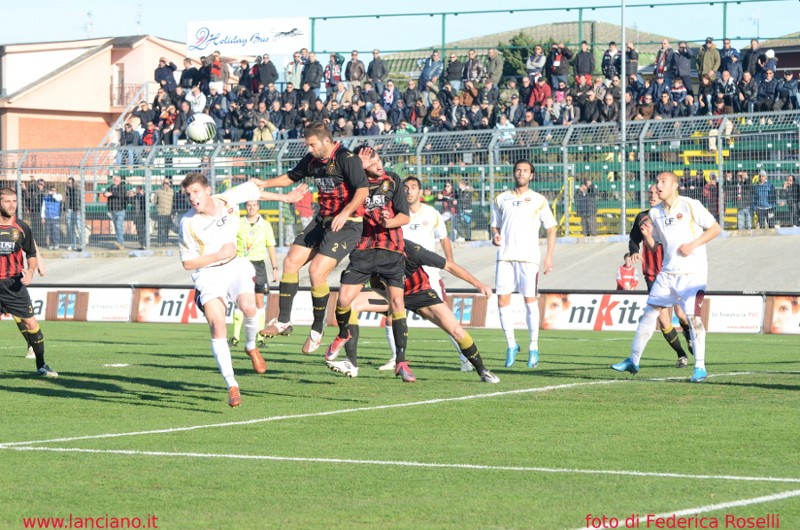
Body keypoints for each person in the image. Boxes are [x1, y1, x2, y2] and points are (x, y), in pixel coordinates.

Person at [178, 173, 307, 407]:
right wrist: (217, 255)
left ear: (207, 190)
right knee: (217, 325)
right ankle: (232, 385)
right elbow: (187, 263)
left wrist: (286, 198)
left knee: (250, 308)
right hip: (209, 274)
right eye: (188, 195)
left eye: (196, 192)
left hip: (236, 266)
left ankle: (251, 347)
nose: (192, 198)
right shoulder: (188, 223)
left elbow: (255, 191)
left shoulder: (227, 199)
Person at [258, 122, 370, 355]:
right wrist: (264, 183)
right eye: (306, 144)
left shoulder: (346, 158)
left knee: (316, 272)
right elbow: (291, 177)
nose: (309, 149)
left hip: (348, 224)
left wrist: (346, 212)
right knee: (290, 261)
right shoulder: (312, 160)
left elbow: (363, 190)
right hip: (323, 221)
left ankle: (317, 330)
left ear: (326, 141)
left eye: (312, 144)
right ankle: (284, 321)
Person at [327, 238, 499, 384]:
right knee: (351, 303)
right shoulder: (368, 251)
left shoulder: (411, 249)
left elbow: (449, 266)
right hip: (389, 296)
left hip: (420, 294)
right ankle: (351, 363)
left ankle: (482, 370)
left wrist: (479, 284)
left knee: (457, 331)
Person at [612, 172, 721, 383]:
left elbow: (715, 228)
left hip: (693, 273)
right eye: (657, 182)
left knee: (693, 318)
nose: (658, 186)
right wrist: (647, 237)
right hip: (667, 273)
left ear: (674, 186)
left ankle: (700, 366)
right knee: (649, 314)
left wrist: (693, 245)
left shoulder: (690, 205)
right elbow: (655, 248)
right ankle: (633, 360)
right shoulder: (655, 213)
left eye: (663, 182)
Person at [322, 146, 415, 382]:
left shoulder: (392, 180)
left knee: (397, 304)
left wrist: (390, 221)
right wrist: (358, 170)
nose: (378, 163)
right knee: (343, 300)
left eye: (378, 158)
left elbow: (405, 216)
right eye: (371, 161)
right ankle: (343, 335)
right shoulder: (354, 186)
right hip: (362, 250)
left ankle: (401, 362)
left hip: (391, 250)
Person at [377, 176, 472, 372]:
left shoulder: (432, 213)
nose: (409, 191)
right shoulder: (397, 214)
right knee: (391, 315)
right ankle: (397, 358)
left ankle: (465, 358)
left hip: (428, 276)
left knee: (445, 319)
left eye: (413, 187)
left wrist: (449, 261)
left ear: (420, 192)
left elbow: (444, 238)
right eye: (406, 187)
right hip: (400, 275)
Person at [491, 160, 557, 369]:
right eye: (518, 170)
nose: (521, 173)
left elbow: (551, 228)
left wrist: (549, 256)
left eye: (525, 171)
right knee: (502, 302)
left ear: (532, 175)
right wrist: (495, 236)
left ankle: (533, 347)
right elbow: (495, 226)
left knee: (530, 302)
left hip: (529, 258)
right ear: (514, 174)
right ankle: (511, 345)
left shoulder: (539, 200)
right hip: (505, 257)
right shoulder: (501, 198)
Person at [629, 184, 694, 367]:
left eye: (655, 192)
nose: (651, 195)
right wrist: (634, 250)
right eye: (649, 192)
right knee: (663, 318)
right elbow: (634, 238)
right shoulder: (642, 217)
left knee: (681, 314)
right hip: (652, 275)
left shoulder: (672, 216)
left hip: (674, 271)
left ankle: (690, 337)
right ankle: (681, 354)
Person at [0, 187, 57, 377]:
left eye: (14, 201)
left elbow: (31, 253)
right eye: (7, 201)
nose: (12, 205)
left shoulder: (22, 228)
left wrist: (31, 271)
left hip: (13, 284)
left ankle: (41, 365)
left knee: (31, 323)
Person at [229, 199, 279, 348]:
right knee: (239, 301)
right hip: (241, 264)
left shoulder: (265, 225)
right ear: (246, 207)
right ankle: (235, 337)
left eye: (254, 205)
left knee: (259, 301)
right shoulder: (237, 223)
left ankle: (260, 337)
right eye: (249, 205)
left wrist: (275, 268)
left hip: (258, 266)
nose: (251, 207)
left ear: (258, 207)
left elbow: (270, 246)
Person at [105, 175, 127, 249]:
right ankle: (120, 243)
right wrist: (105, 193)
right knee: (117, 227)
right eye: (114, 180)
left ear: (120, 181)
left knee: (118, 225)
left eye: (117, 180)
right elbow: (106, 192)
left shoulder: (122, 187)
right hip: (113, 210)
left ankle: (120, 243)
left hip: (120, 210)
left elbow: (121, 194)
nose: (116, 181)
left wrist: (111, 194)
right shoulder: (111, 187)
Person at [152, 179, 174, 246]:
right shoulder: (158, 191)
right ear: (162, 183)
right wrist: (158, 207)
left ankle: (165, 241)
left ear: (169, 184)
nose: (165, 184)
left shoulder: (172, 191)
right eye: (164, 183)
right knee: (160, 228)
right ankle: (159, 241)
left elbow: (173, 201)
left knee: (167, 228)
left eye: (167, 183)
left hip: (168, 212)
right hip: (161, 212)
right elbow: (155, 201)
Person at [42, 184, 62, 250]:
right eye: (52, 190)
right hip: (48, 217)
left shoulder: (58, 196)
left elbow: (58, 198)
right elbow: (43, 207)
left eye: (54, 190)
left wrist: (53, 194)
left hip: (55, 217)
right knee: (49, 231)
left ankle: (56, 244)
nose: (53, 191)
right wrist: (43, 217)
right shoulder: (46, 197)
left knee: (55, 231)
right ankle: (50, 244)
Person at [65, 177, 82, 251]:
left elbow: (80, 200)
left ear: (73, 183)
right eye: (68, 182)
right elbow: (65, 200)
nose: (69, 184)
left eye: (70, 182)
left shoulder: (77, 190)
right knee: (70, 228)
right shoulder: (67, 190)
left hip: (76, 210)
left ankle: (82, 244)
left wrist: (79, 209)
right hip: (69, 210)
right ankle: (73, 244)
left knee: (78, 227)